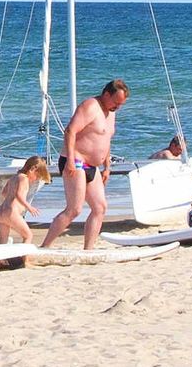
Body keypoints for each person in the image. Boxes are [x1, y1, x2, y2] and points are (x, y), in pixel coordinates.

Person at [39, 80, 127, 250]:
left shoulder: (111, 113)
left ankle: (88, 249)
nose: (118, 107)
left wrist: (107, 167)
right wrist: (70, 160)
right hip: (76, 161)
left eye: (121, 104)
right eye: (116, 102)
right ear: (106, 94)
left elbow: (106, 139)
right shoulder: (90, 106)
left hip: (92, 167)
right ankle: (45, 246)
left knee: (100, 207)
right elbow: (70, 130)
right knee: (74, 209)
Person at [0, 156, 50, 244]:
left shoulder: (14, 177)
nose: (36, 179)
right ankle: (24, 258)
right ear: (32, 169)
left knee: (3, 239)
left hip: (1, 212)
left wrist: (10, 200)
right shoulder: (24, 178)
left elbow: (4, 193)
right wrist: (29, 207)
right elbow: (19, 195)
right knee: (28, 236)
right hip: (11, 213)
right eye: (37, 176)